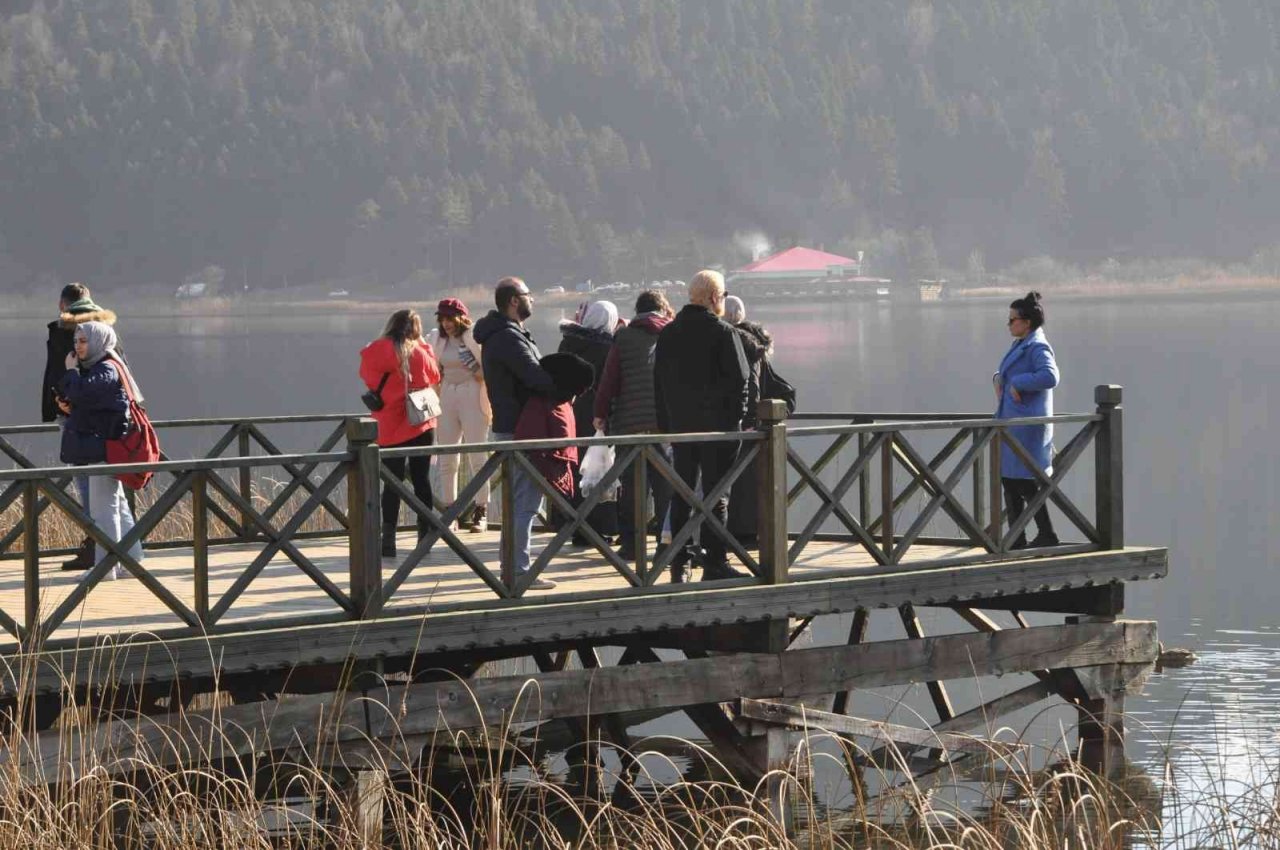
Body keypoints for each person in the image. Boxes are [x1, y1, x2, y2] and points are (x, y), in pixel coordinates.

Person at [653, 270, 750, 583]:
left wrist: (666, 425)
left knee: (681, 495)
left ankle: (678, 564)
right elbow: (740, 382)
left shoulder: (668, 334)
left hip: (681, 430)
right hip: (719, 431)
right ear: (713, 298)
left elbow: (659, 385)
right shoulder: (724, 333)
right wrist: (737, 420)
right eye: (721, 296)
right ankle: (715, 563)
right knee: (716, 496)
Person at [473, 277, 558, 589]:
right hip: (521, 429)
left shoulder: (501, 334)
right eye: (527, 294)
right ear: (513, 301)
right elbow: (534, 377)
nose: (532, 300)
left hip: (512, 427)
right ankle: (518, 572)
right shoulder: (508, 338)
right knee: (524, 503)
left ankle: (512, 567)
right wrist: (563, 384)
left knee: (518, 502)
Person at [55, 321, 143, 580]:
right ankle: (132, 560)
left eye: (84, 341)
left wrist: (70, 372)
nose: (78, 347)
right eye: (76, 342)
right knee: (117, 506)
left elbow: (86, 393)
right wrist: (73, 408)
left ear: (99, 341)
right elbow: (96, 405)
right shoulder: (108, 366)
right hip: (106, 445)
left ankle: (105, 569)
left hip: (102, 448)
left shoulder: (105, 367)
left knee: (103, 510)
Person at [43, 282, 122, 571]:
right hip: (105, 423)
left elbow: (68, 376)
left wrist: (63, 400)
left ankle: (98, 552)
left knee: (90, 487)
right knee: (112, 494)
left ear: (62, 305)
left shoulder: (73, 335)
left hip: (84, 421)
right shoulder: (105, 334)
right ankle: (126, 554)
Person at [593, 290, 675, 561]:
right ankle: (667, 544)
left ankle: (631, 545)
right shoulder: (671, 334)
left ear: (638, 310)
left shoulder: (624, 336)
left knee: (631, 488)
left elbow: (609, 380)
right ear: (662, 309)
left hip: (628, 425)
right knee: (665, 487)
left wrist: (600, 413)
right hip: (662, 425)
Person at [359, 309, 442, 558]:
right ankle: (424, 535)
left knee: (391, 484)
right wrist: (425, 346)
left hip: (387, 425)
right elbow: (435, 375)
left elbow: (366, 378)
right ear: (414, 329)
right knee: (421, 480)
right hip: (418, 422)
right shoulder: (419, 351)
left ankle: (388, 539)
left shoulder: (375, 349)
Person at [994, 291, 1061, 549]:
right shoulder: (1022, 344)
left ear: (1027, 322)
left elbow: (1050, 376)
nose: (1009, 324)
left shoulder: (1037, 346)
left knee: (1021, 482)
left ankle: (1033, 536)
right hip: (1015, 424)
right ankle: (1022, 537)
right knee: (1013, 481)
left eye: (1012, 320)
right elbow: (1010, 373)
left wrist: (1018, 383)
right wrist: (1000, 380)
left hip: (1027, 426)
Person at [425, 298, 492, 533]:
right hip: (446, 396)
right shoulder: (436, 338)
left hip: (472, 394)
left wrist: (473, 367)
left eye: (450, 319)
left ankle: (481, 510)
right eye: (442, 319)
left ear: (460, 318)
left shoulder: (474, 337)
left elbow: (489, 372)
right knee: (447, 457)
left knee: (477, 454)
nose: (446, 324)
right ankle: (449, 512)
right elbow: (429, 366)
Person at [556, 300, 620, 544]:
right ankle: (599, 529)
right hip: (596, 417)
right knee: (599, 471)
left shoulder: (567, 343)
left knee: (574, 469)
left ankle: (575, 526)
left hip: (569, 414)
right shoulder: (609, 349)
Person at [722, 295, 774, 546]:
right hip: (754, 422)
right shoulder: (755, 341)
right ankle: (750, 532)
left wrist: (742, 414)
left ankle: (733, 532)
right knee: (750, 483)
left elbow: (746, 384)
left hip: (737, 422)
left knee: (732, 481)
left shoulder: (731, 340)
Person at [515, 352, 596, 503]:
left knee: (525, 502)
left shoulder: (543, 400)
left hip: (533, 450)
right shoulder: (556, 406)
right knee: (527, 505)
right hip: (536, 452)